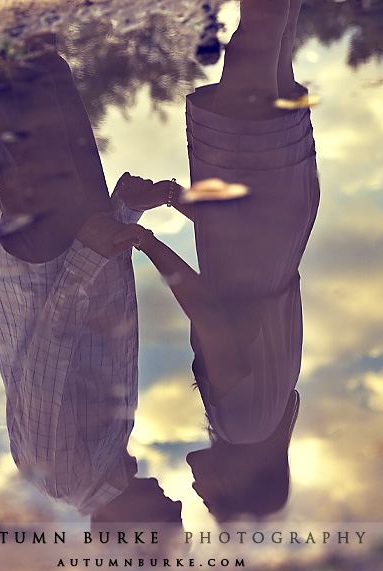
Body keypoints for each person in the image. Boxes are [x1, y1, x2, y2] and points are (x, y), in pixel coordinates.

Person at [123, 0, 318, 518]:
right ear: (234, 484)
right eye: (207, 497)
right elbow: (210, 309)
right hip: (255, 209)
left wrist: (176, 201)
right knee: (257, 39)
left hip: (278, 212)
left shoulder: (276, 409)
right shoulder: (243, 424)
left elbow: (246, 270)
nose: (194, 486)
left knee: (274, 48)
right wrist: (143, 242)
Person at [0, 36, 181, 527]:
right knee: (48, 73)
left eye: (170, 520)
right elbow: (99, 327)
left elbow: (44, 362)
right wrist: (123, 209)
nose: (176, 504)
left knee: (16, 87)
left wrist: (86, 255)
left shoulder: (63, 477)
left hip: (48, 253)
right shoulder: (110, 454)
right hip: (76, 240)